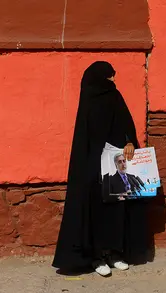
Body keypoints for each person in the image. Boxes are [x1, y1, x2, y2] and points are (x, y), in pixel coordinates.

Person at [52, 61, 151, 277]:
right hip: (93, 167)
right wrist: (90, 167)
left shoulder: (115, 97)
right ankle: (96, 257)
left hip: (117, 164)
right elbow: (84, 138)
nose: (113, 80)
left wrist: (129, 142)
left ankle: (115, 253)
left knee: (117, 209)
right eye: (109, 76)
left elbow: (126, 124)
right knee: (94, 210)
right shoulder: (88, 99)